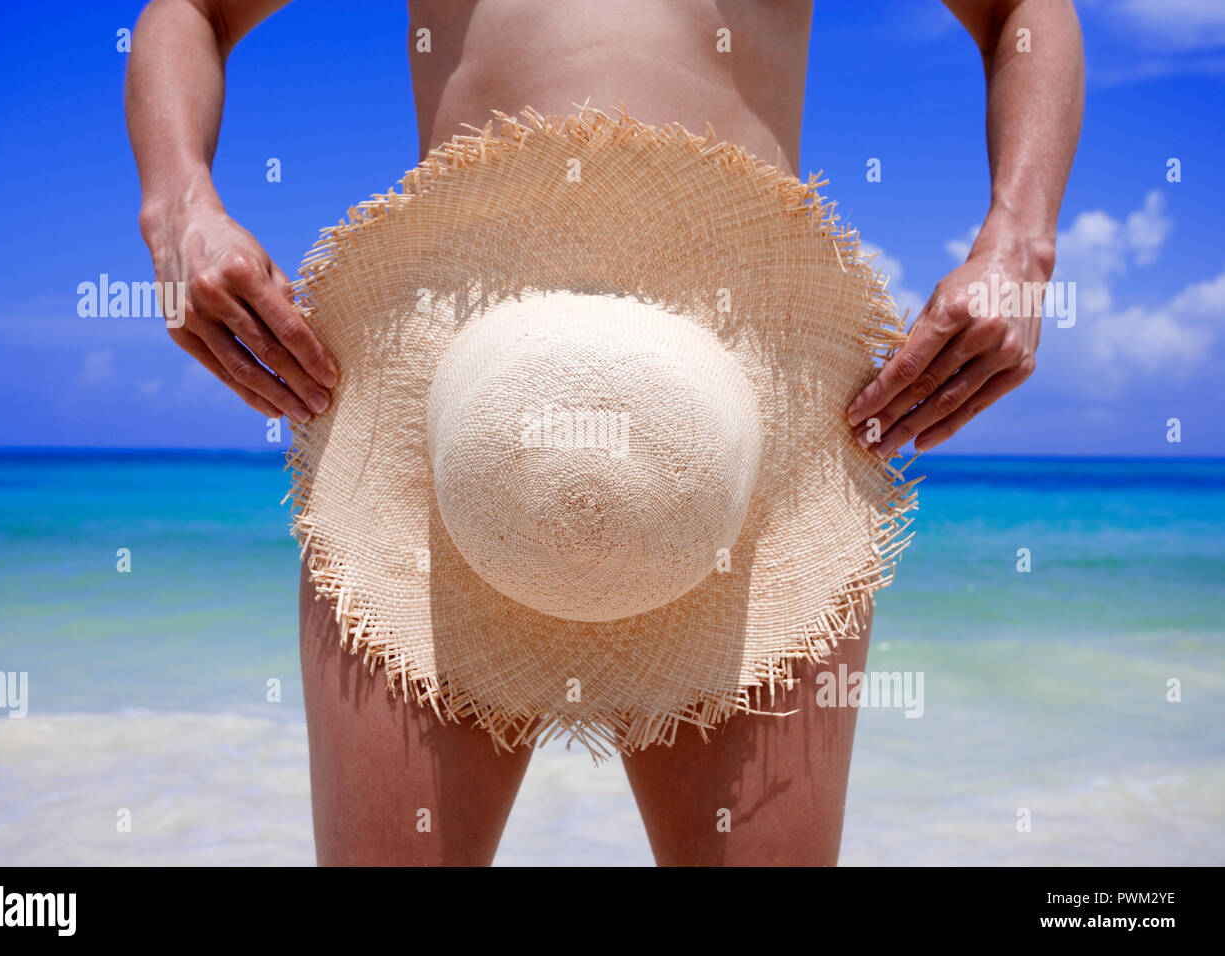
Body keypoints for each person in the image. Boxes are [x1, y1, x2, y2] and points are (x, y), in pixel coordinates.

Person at [125, 0, 1083, 866]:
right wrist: (178, 210)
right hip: (462, 428)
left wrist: (1021, 243)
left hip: (734, 441)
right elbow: (192, 14)